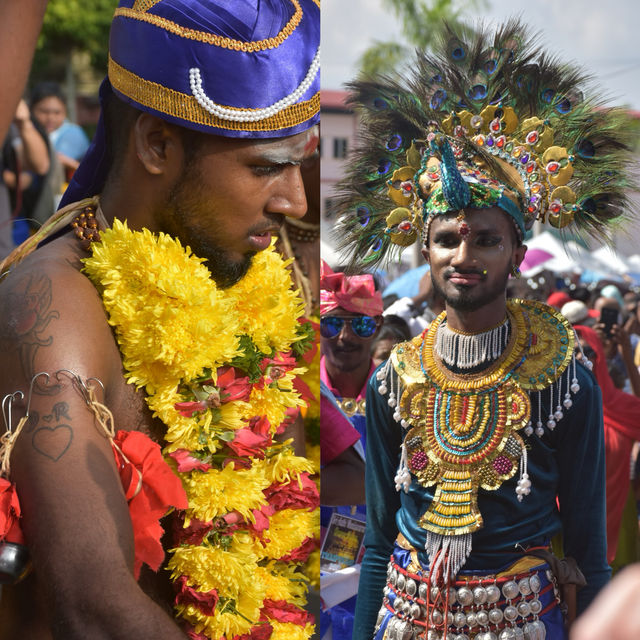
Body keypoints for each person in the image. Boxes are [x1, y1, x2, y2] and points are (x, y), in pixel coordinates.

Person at [0, 1, 320, 639]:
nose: (295, 200)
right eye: (265, 166)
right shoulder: (54, 306)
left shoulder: (248, 276)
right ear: (156, 144)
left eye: (299, 163)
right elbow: (93, 606)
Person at [333, 19, 636, 640]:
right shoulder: (395, 379)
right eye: (446, 239)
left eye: (486, 240)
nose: (463, 257)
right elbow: (379, 544)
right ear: (426, 250)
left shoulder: (564, 380)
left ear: (517, 253)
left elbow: (590, 553)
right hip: (405, 622)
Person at [31, 82, 90, 183]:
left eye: (57, 112)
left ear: (65, 111)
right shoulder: (31, 131)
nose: (51, 118)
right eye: (44, 111)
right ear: (31, 110)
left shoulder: (72, 133)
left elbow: (54, 161)